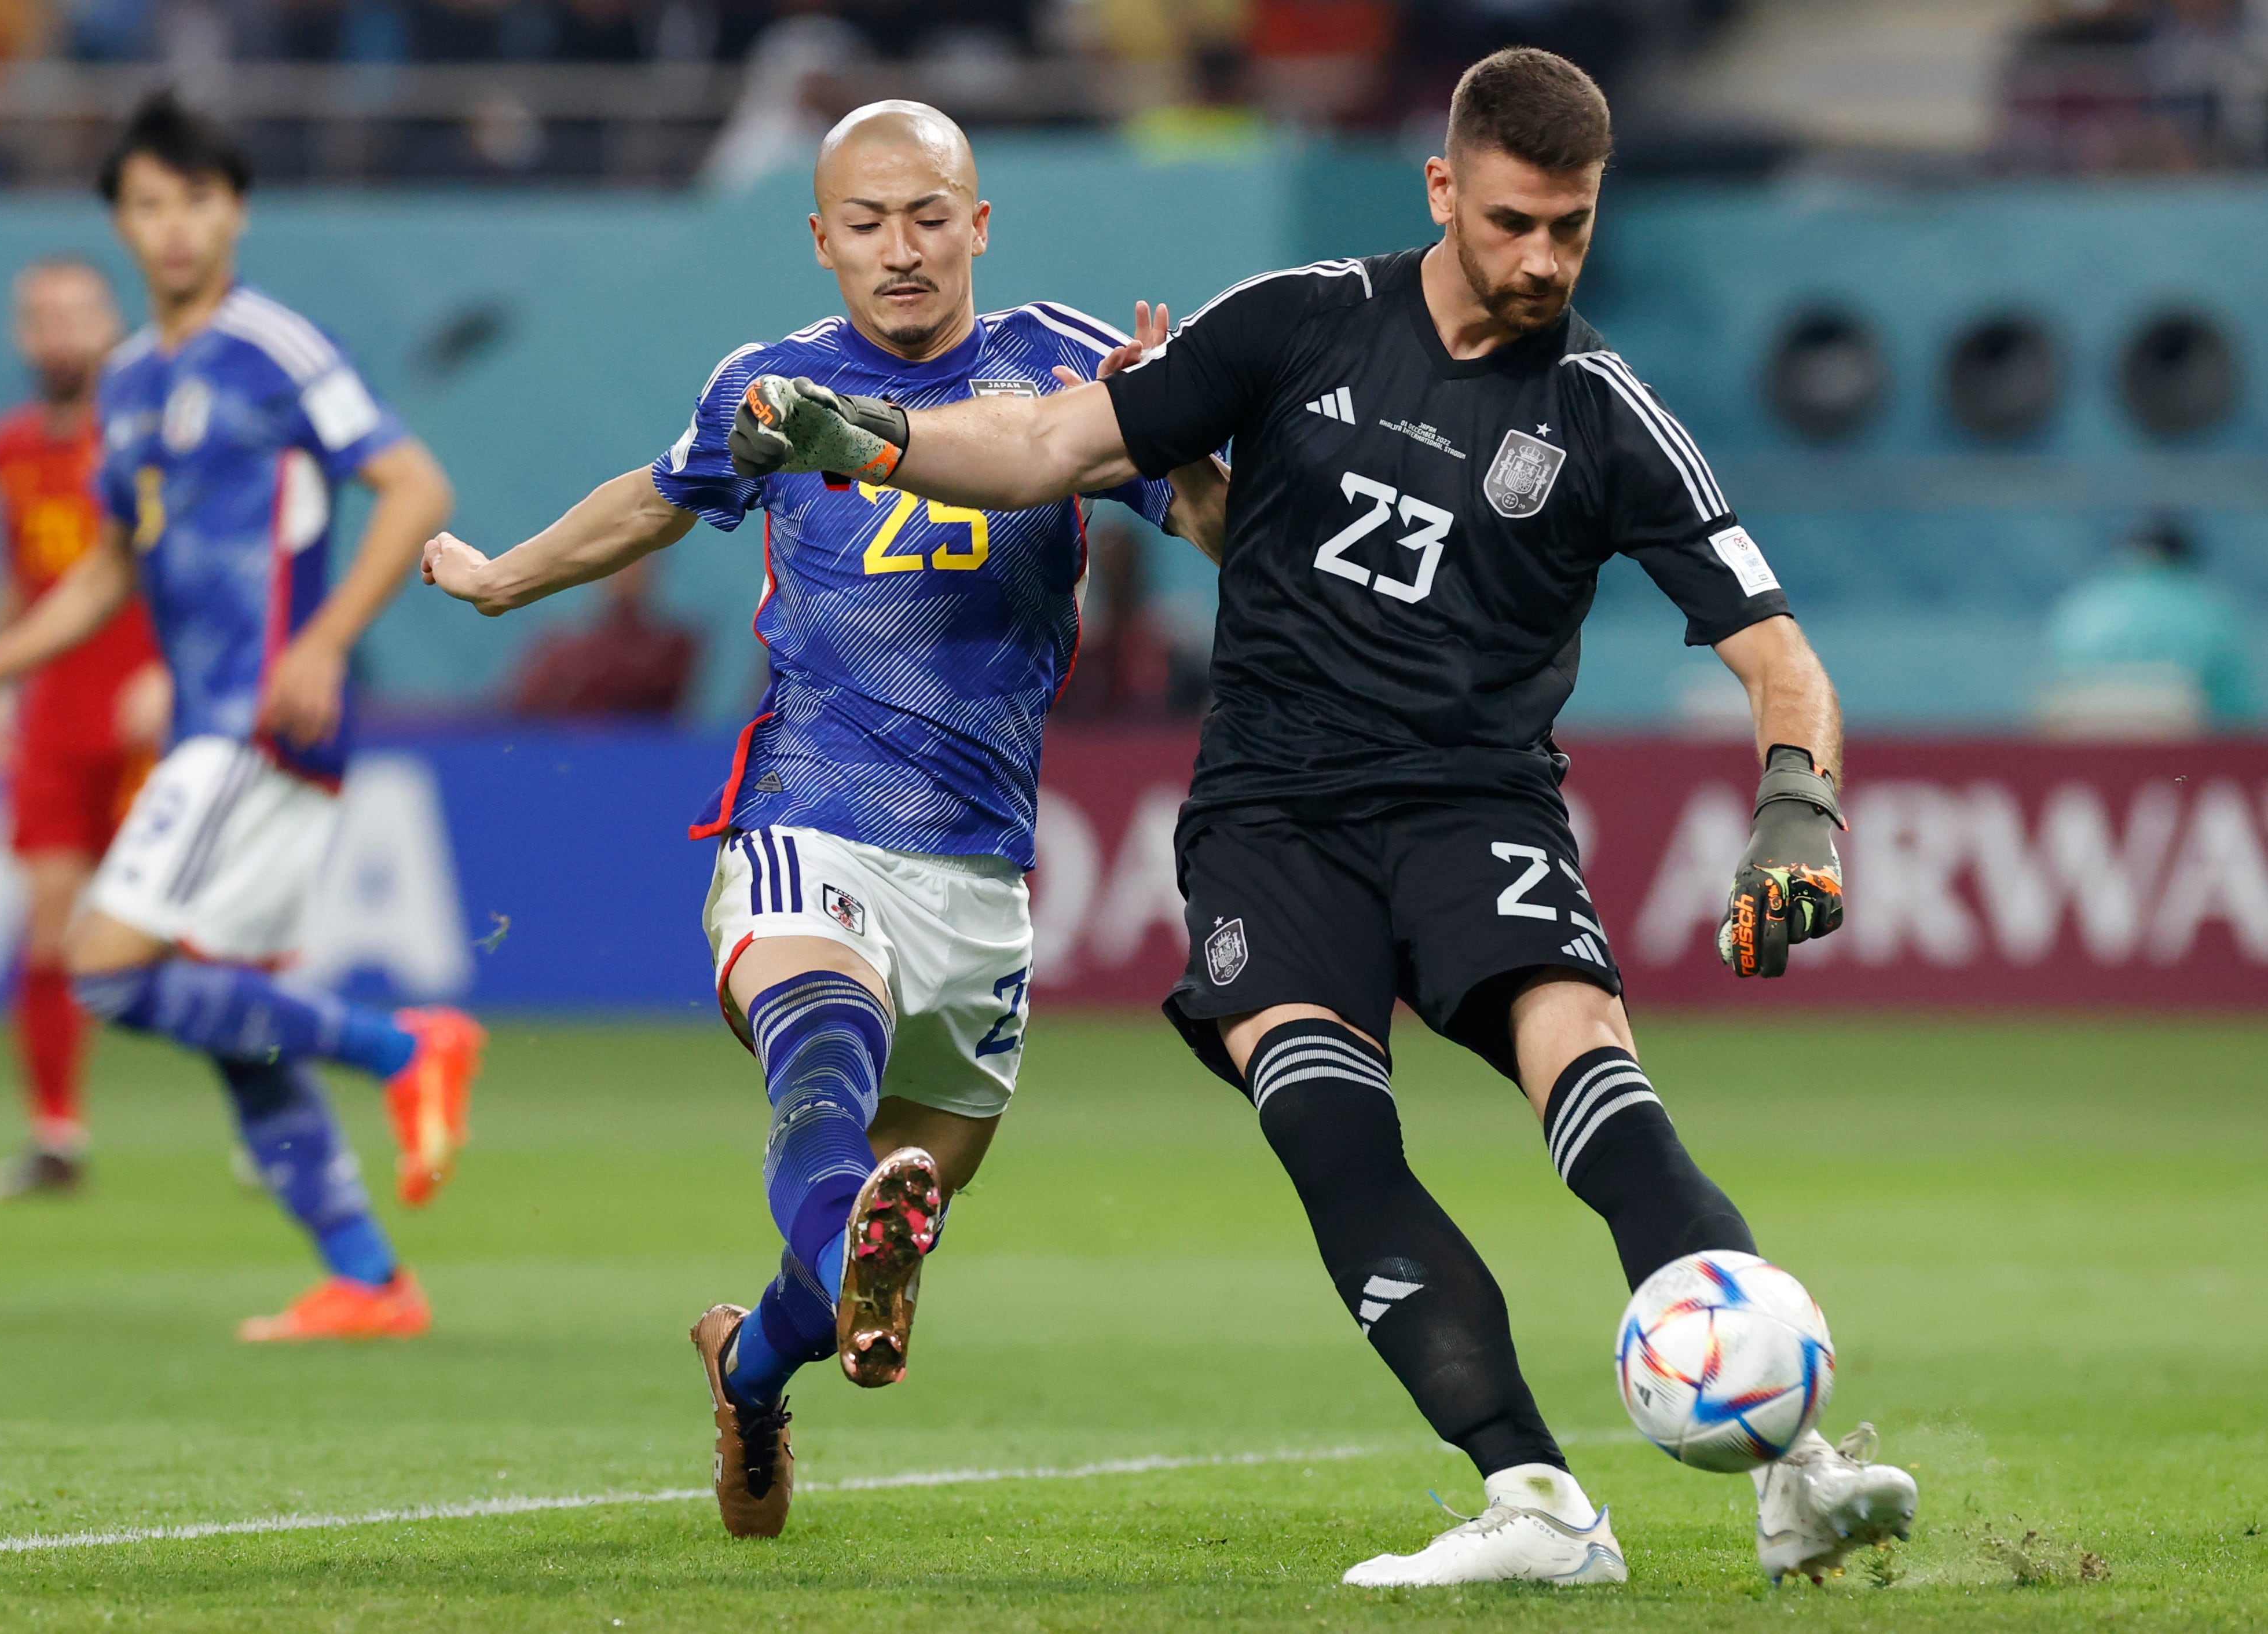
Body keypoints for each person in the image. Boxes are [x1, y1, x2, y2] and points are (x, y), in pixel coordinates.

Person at [726, 47, 1919, 1589]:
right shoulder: (1294, 323)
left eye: (1571, 227)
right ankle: (1537, 1502)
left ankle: (1798, 1468)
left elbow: (1779, 655)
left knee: (1605, 1101)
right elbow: (1052, 443)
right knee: (1332, 1129)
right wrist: (870, 439)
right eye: (1512, 222)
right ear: (1442, 191)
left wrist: (1798, 809)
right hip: (1272, 823)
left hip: (1476, 810)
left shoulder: (1607, 415)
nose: (1544, 258)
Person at [420, 100, 1227, 1538]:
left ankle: (747, 1362)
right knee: (822, 1075)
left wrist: (1172, 414)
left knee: (868, 1227)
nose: (900, 250)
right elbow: (657, 503)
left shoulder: (1063, 362)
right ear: (820, 237)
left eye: (928, 218)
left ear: (978, 224)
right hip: (809, 810)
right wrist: (502, 581)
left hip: (980, 867)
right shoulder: (774, 383)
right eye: (866, 223)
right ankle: (844, 1232)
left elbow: (1225, 534)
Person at [0, 91, 485, 1343]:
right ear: (123, 220)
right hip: (209, 730)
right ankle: (370, 1279)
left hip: (255, 716)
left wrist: (327, 642)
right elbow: (113, 566)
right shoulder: (126, 381)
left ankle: (405, 1045)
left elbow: (413, 483)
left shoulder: (274, 347)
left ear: (236, 211)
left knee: (107, 967)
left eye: (197, 201)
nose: (174, 229)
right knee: (227, 1024)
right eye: (149, 204)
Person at [0, 255, 170, 1205]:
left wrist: (172, 668)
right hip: (54, 715)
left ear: (109, 326)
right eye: (41, 317)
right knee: (48, 922)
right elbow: (16, 576)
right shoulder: (7, 446)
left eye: (75, 315)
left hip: (149, 708)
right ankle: (56, 1134)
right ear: (20, 335)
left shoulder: (147, 436)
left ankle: (279, 1128)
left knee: (199, 927)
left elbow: (193, 564)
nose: (58, 334)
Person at [2040, 512, 2258, 735]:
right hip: (2183, 758)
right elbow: (2240, 711)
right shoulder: (2211, 611)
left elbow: (2050, 689)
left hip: (2077, 751)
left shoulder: (2082, 606)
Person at [504, 555, 699, 719]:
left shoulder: (672, 648)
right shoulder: (561, 649)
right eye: (617, 565)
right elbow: (521, 713)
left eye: (635, 563)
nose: (626, 574)